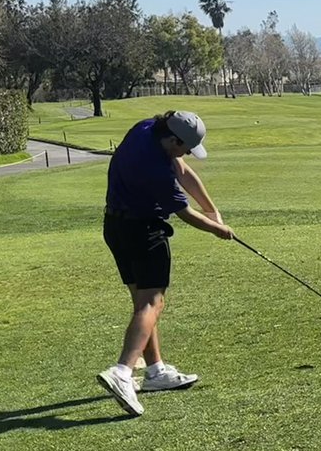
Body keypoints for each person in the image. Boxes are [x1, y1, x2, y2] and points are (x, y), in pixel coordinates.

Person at [96, 109, 234, 417]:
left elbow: (183, 171)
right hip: (144, 231)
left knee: (142, 302)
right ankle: (122, 371)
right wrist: (218, 230)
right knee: (153, 304)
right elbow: (184, 214)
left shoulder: (147, 128)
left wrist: (213, 210)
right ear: (173, 139)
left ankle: (156, 372)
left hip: (115, 227)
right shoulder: (154, 168)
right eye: (184, 147)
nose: (185, 153)